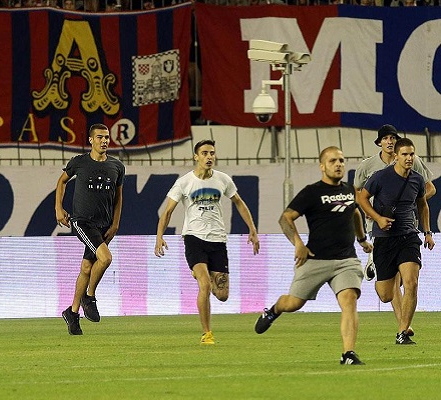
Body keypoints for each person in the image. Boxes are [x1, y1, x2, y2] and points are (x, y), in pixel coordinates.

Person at [255, 146, 372, 365]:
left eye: (341, 160)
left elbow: (355, 212)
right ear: (322, 166)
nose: (338, 164)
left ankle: (348, 354)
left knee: (349, 301)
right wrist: (298, 244)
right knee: (293, 304)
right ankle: (273, 310)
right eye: (332, 161)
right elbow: (285, 218)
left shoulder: (349, 190)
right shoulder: (312, 192)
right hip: (315, 259)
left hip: (346, 260)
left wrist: (362, 239)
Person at [154, 139, 259, 345]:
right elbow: (167, 211)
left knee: (222, 295)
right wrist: (159, 236)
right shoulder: (184, 182)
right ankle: (207, 333)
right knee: (204, 284)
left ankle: (202, 273)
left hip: (218, 240)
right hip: (194, 238)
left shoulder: (223, 180)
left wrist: (252, 229)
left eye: (212, 153)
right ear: (196, 156)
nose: (209, 157)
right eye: (204, 153)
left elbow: (238, 202)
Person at [354, 124, 434, 338]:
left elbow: (424, 203)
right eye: (405, 154)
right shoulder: (377, 173)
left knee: (411, 281)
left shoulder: (417, 177)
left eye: (411, 154)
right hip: (382, 235)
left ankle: (402, 330)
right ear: (396, 155)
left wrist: (427, 232)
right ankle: (376, 265)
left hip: (409, 235)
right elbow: (360, 195)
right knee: (386, 294)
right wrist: (376, 216)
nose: (409, 158)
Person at [56, 123, 125, 336]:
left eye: (106, 137)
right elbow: (61, 181)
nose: (104, 141)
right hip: (82, 221)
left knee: (87, 267)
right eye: (100, 137)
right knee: (105, 259)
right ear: (91, 140)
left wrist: (115, 223)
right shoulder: (80, 162)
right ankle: (89, 297)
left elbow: (119, 196)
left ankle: (73, 313)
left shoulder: (117, 166)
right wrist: (59, 208)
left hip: (104, 224)